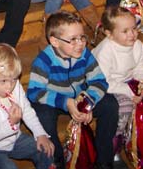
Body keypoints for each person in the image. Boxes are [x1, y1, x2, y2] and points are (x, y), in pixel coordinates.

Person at [27, 11, 117, 169]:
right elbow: (34, 92)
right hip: (55, 101)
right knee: (42, 115)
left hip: (80, 98)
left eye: (82, 37)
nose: (80, 43)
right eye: (73, 39)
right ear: (55, 41)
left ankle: (103, 160)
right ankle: (56, 161)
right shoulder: (44, 60)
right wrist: (66, 102)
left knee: (110, 104)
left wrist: (87, 103)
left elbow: (100, 81)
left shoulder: (85, 54)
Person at [92, 6, 143, 168]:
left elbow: (141, 67)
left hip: (129, 81)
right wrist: (130, 93)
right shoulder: (105, 51)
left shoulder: (137, 45)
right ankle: (114, 150)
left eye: (134, 28)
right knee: (124, 106)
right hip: (109, 86)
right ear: (109, 34)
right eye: (125, 31)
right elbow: (104, 82)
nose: (132, 34)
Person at [0, 43, 54, 169]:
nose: (9, 86)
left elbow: (27, 111)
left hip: (14, 140)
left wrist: (40, 134)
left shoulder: (16, 88)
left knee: (45, 150)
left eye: (14, 79)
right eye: (3, 81)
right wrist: (11, 123)